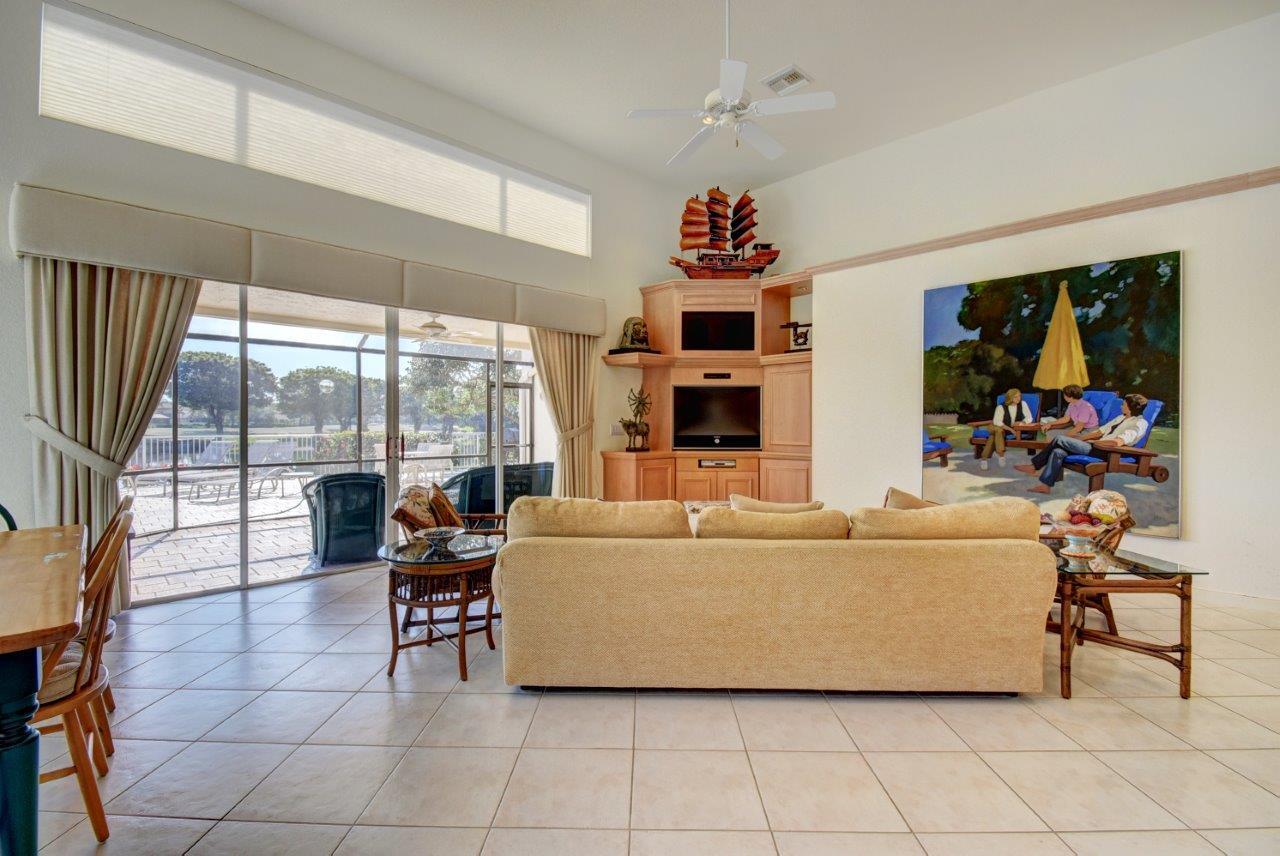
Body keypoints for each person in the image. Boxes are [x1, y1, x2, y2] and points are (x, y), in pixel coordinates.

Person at [1016, 393, 1149, 494]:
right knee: (1058, 451)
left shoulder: (1139, 423)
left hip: (1107, 452)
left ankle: (1034, 466)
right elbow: (1099, 431)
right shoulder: (1121, 417)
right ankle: (1045, 486)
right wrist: (1081, 439)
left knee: (1059, 439)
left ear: (1131, 407)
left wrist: (1095, 442)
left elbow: (1118, 442)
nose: (1121, 406)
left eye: (1124, 404)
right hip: (1095, 446)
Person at [978, 388, 1034, 471]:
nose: (1018, 398)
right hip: (996, 427)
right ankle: (1001, 456)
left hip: (1002, 431)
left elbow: (1029, 417)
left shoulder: (1023, 404)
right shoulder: (1001, 407)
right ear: (1010, 397)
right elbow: (997, 422)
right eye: (1015, 397)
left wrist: (1022, 422)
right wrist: (1011, 430)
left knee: (994, 436)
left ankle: (984, 459)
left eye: (1019, 396)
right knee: (998, 430)